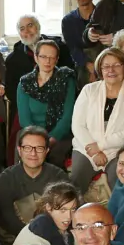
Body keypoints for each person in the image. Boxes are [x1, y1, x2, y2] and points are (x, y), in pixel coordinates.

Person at [70, 47, 124, 194]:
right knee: (76, 180)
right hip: (87, 146)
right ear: (100, 70)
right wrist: (94, 150)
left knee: (119, 182)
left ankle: (118, 215)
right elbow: (78, 125)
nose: (111, 70)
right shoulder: (88, 90)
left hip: (121, 148)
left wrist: (101, 145)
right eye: (106, 66)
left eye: (117, 65)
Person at [0, 126, 70, 237]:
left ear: (47, 151)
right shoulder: (5, 179)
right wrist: (31, 236)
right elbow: (6, 219)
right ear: (19, 150)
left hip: (53, 235)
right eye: (27, 148)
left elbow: (66, 213)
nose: (33, 153)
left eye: (39, 148)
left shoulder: (59, 178)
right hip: (16, 238)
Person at [15, 38, 77, 170]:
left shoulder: (66, 80)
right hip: (31, 133)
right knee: (25, 149)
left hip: (60, 134)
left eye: (52, 57)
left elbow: (67, 116)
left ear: (57, 59)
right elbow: (24, 119)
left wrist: (51, 139)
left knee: (54, 156)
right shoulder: (25, 83)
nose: (47, 61)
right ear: (36, 58)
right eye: (43, 56)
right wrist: (37, 141)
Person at [62, 0, 97, 75]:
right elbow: (72, 48)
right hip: (80, 66)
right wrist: (87, 64)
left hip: (104, 61)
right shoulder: (68, 20)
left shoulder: (103, 15)